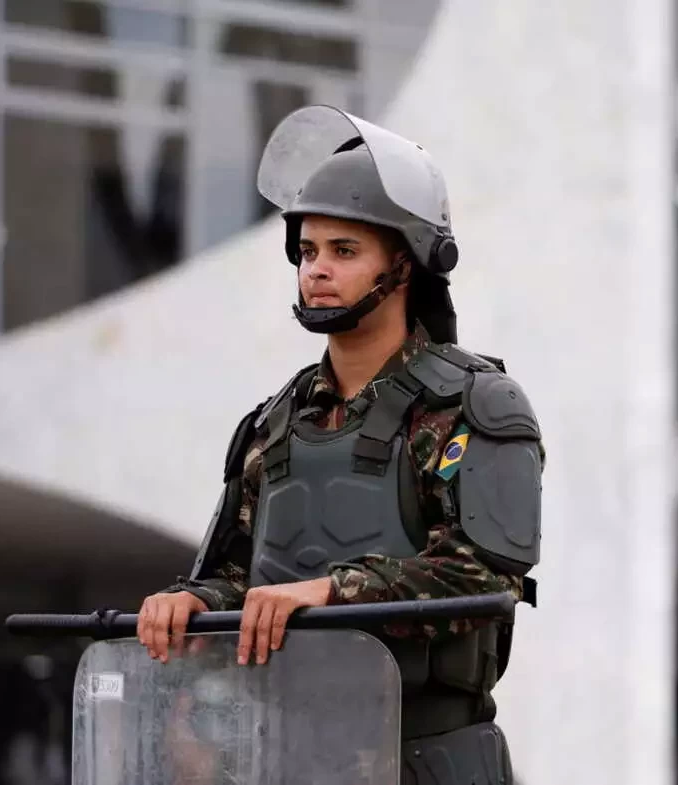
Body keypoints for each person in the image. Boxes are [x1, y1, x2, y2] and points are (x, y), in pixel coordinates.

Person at [132, 105, 544, 785]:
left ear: (405, 265)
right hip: (289, 757)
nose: (316, 269)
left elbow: (483, 576)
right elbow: (240, 575)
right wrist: (193, 601)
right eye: (307, 251)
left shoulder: (473, 407)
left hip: (426, 758)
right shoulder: (276, 423)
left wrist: (331, 591)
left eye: (344, 251)